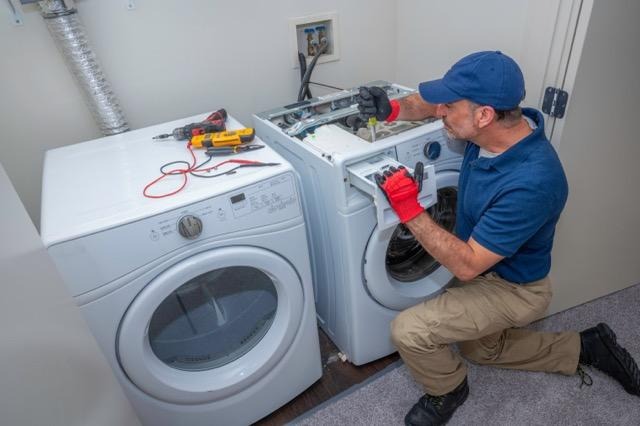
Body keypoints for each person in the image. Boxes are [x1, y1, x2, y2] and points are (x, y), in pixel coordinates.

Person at [356, 51, 640, 426]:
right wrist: (391, 108)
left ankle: (449, 389)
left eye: (449, 106)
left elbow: (467, 265)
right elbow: (428, 103)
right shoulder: (495, 127)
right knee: (482, 351)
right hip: (485, 265)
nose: (440, 112)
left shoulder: (534, 181)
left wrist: (408, 209)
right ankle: (585, 346)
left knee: (408, 331)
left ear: (484, 115)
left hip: (513, 288)